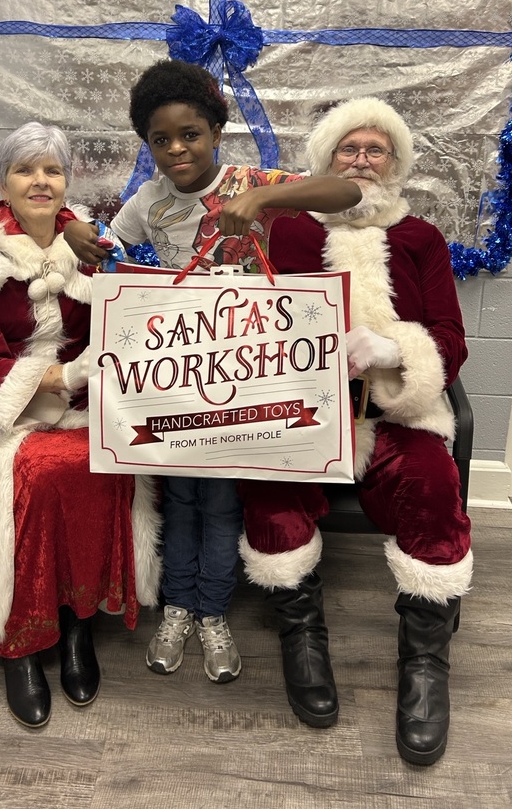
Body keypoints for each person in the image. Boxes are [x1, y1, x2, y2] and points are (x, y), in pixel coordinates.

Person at [65, 59, 361, 685]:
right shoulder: (148, 201)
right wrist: (75, 232)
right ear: (147, 144)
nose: (177, 149)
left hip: (246, 375)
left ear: (217, 131)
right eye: (161, 140)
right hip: (177, 377)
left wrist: (264, 196)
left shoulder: (248, 180)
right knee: (180, 497)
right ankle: (177, 609)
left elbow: (345, 192)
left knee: (224, 500)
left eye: (190, 134)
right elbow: (107, 246)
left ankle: (212, 612)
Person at [239, 96, 472, 766]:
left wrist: (396, 350)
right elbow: (250, 319)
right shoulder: (284, 231)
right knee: (271, 485)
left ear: (395, 164)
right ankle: (300, 632)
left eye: (376, 150)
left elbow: (451, 340)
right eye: (349, 148)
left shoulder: (420, 238)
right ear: (326, 159)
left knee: (431, 482)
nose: (361, 160)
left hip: (396, 410)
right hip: (301, 410)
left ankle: (426, 658)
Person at [0, 122, 161, 729]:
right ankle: (18, 644)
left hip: (81, 397)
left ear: (67, 181)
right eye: (26, 170)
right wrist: (60, 377)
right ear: (2, 182)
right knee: (32, 473)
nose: (40, 181)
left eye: (52, 170)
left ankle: (77, 624)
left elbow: (122, 322)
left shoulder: (87, 244)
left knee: (105, 461)